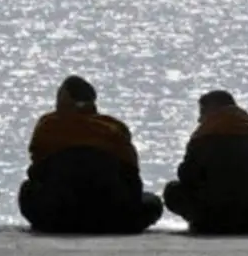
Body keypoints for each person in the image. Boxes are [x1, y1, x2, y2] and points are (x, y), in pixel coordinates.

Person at [18, 75, 162, 234]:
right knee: (152, 201)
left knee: (27, 190)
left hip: (57, 217)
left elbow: (36, 173)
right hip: (114, 219)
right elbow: (132, 178)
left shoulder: (47, 126)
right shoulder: (113, 128)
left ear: (63, 101)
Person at [164, 90, 248, 234]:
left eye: (202, 112)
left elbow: (187, 176)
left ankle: (200, 220)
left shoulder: (202, 139)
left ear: (211, 111)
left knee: (172, 190)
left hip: (210, 221)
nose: (199, 119)